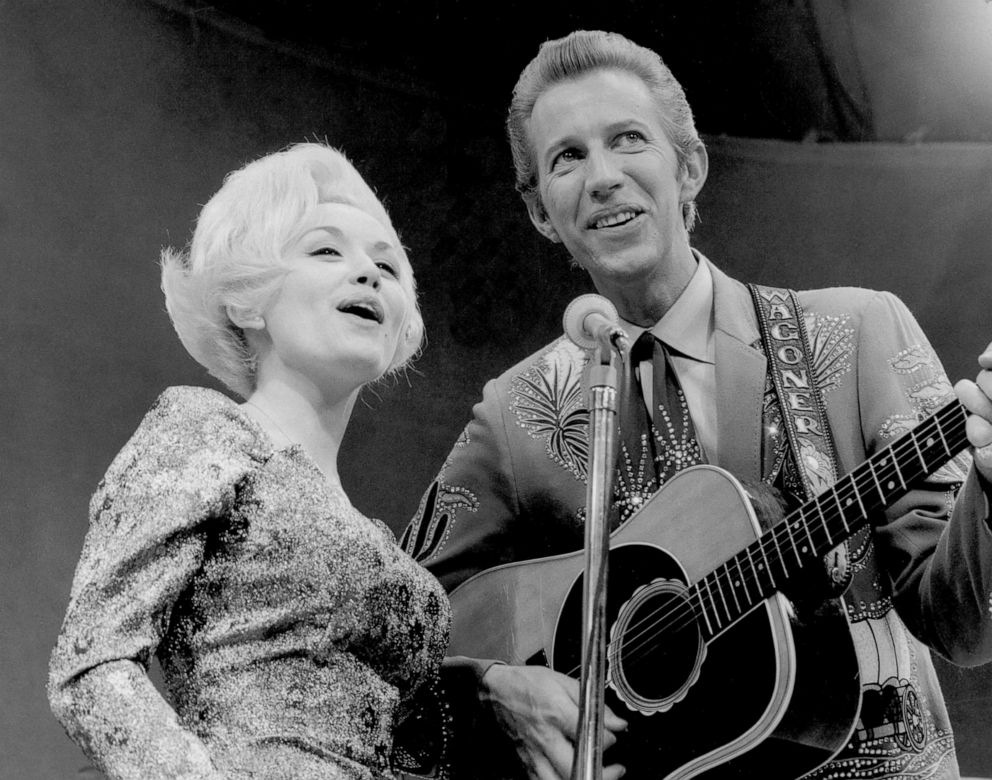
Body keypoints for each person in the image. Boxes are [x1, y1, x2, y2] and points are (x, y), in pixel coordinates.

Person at [401, 30, 992, 780]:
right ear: (541, 213)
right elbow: (397, 620)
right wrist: (490, 689)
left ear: (690, 169)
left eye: (628, 140)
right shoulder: (519, 415)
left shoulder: (856, 333)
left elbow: (966, 626)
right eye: (567, 157)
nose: (603, 176)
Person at [48, 143, 452, 779]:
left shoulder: (377, 540)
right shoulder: (205, 433)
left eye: (388, 265)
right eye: (326, 250)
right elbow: (92, 666)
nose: (370, 274)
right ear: (246, 301)